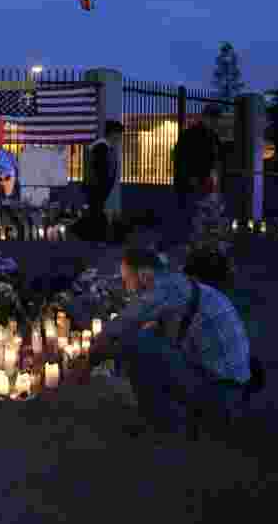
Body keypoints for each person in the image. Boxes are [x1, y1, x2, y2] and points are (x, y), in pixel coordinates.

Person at [74, 244, 252, 438]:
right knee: (147, 340)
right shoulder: (178, 284)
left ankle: (161, 423)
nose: (126, 287)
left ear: (142, 274)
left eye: (127, 279)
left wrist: (89, 362)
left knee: (137, 344)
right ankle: (170, 415)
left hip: (222, 394)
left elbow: (120, 326)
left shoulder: (165, 289)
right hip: (233, 390)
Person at [172, 105, 224, 249]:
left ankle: (201, 246)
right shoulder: (193, 135)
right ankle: (194, 247)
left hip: (206, 185)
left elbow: (217, 160)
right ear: (206, 118)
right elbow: (181, 160)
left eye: (217, 120)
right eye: (214, 119)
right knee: (195, 218)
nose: (216, 123)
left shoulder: (212, 136)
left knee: (204, 219)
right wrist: (192, 179)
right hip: (195, 185)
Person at [82, 120, 124, 242]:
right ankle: (96, 239)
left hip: (97, 188)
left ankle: (96, 238)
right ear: (112, 133)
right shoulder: (101, 147)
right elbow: (100, 171)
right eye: (119, 134)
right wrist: (102, 187)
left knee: (96, 213)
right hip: (96, 188)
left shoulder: (104, 147)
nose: (120, 138)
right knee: (96, 213)